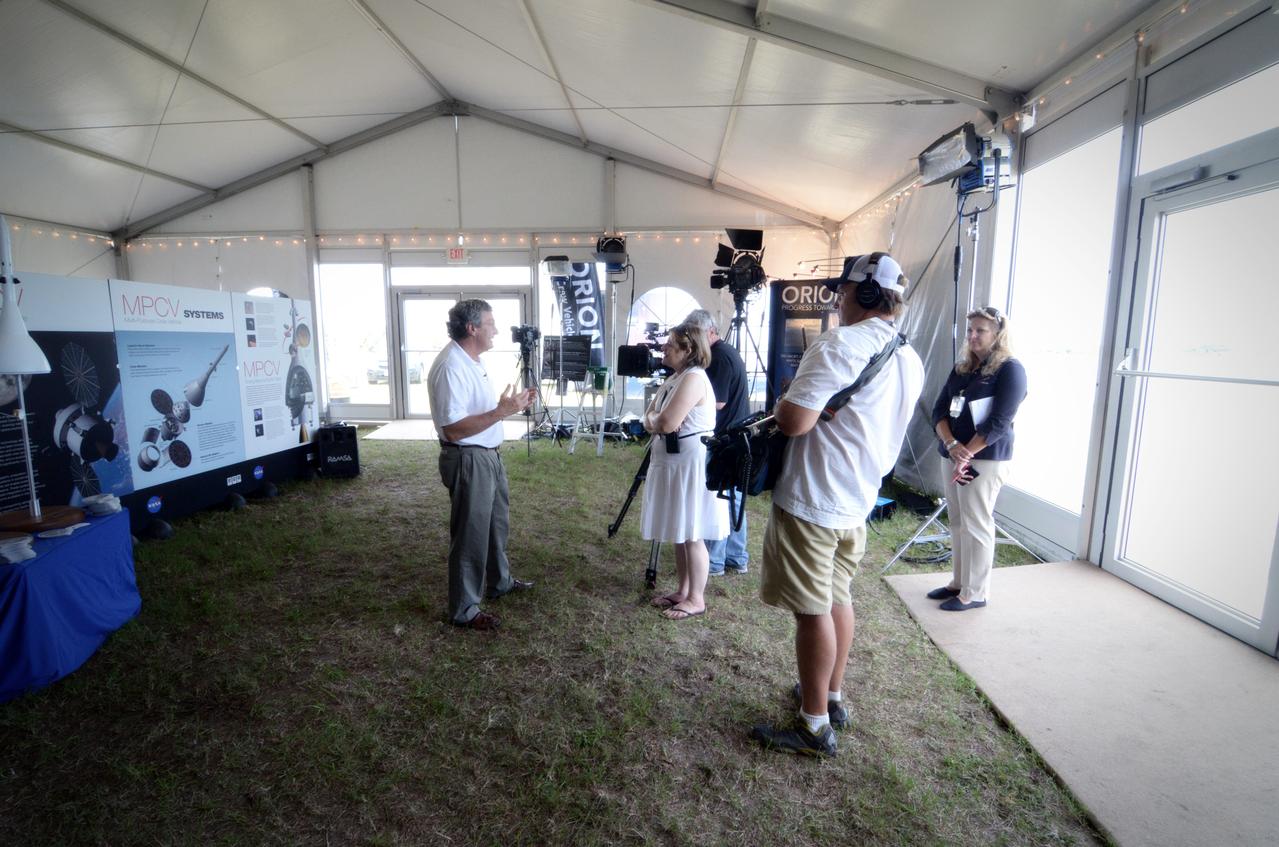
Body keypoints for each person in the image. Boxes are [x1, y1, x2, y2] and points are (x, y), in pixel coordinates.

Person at [750, 252, 923, 757]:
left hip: (815, 498)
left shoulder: (839, 344)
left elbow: (793, 422)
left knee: (811, 611)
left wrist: (787, 401)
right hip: (856, 500)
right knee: (837, 597)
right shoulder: (908, 355)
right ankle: (831, 696)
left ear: (864, 293)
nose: (838, 298)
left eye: (842, 290)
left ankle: (813, 725)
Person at [426, 298, 537, 631]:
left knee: (494, 524)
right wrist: (503, 412)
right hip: (468, 458)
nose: (497, 330)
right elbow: (454, 428)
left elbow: (479, 413)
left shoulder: (470, 360)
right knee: (470, 534)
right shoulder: (451, 366)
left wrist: (509, 406)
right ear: (472, 328)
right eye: (490, 324)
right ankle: (464, 609)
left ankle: (499, 581)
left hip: (486, 456)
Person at [928, 306, 1027, 612]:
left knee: (977, 522)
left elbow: (999, 422)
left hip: (985, 459)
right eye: (970, 330)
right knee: (957, 520)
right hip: (955, 453)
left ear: (997, 333)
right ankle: (958, 583)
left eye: (980, 330)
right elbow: (939, 412)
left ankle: (976, 592)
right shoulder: (962, 369)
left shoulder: (1011, 369)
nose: (972, 335)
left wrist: (966, 453)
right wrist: (952, 445)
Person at [640, 323, 729, 621]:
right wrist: (656, 419)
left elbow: (663, 423)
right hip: (674, 462)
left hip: (689, 463)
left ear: (688, 350)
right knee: (681, 530)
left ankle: (696, 598)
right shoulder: (676, 378)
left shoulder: (693, 378)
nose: (664, 348)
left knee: (692, 533)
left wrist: (656, 419)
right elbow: (651, 416)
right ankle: (683, 590)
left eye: (670, 345)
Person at [683, 308, 750, 575]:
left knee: (718, 499)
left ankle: (715, 561)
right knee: (732, 498)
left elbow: (717, 402)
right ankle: (736, 556)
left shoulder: (719, 357)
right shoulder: (725, 352)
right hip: (734, 437)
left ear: (710, 332)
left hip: (725, 439)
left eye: (694, 335)